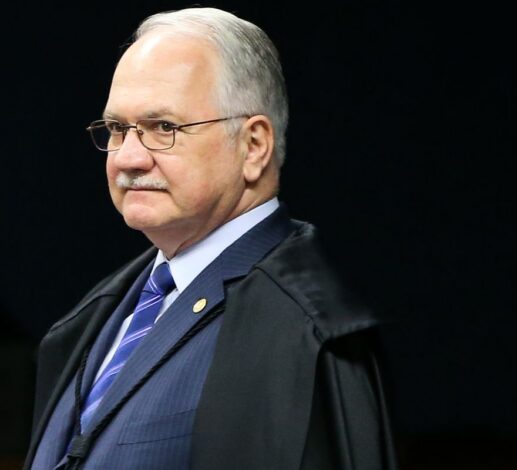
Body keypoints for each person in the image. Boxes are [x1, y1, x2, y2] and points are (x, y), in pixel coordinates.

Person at [24, 7, 396, 470]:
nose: (128, 158)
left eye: (164, 128)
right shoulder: (91, 319)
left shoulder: (304, 330)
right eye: (118, 129)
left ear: (253, 146)